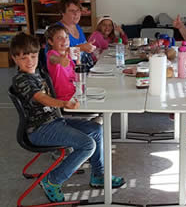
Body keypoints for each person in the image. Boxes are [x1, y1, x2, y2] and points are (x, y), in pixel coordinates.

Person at [9, 34, 122, 203]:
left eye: (33, 56)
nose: (30, 61)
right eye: (24, 58)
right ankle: (52, 181)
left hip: (54, 122)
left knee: (96, 130)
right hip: (40, 130)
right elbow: (40, 97)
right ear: (14, 58)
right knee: (87, 144)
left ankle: (98, 175)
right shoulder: (21, 79)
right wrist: (63, 103)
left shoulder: (36, 73)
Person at [42, 25, 79, 101]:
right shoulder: (51, 54)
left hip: (75, 93)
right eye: (59, 38)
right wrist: (60, 60)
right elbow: (53, 59)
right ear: (50, 41)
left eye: (66, 37)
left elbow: (75, 73)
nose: (65, 41)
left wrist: (78, 61)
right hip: (65, 98)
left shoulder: (67, 54)